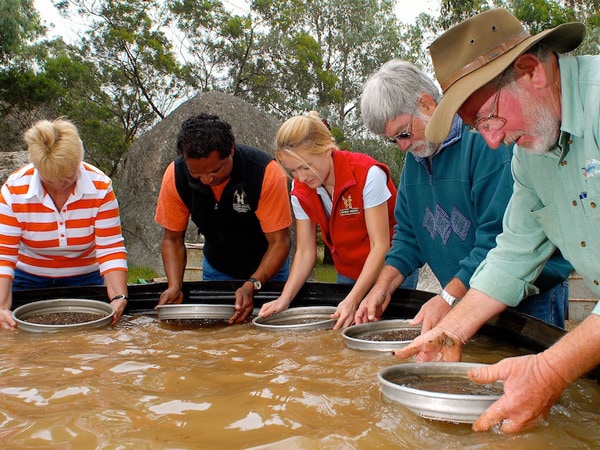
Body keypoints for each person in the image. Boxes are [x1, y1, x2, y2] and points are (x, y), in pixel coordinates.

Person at [395, 8, 599, 433]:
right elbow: (513, 253)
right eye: (476, 127)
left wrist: (550, 371)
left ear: (530, 71)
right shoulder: (529, 156)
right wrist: (451, 330)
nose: (491, 140)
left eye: (490, 118)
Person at [355, 59, 572, 331]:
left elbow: (498, 240)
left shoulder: (487, 143)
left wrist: (447, 296)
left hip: (528, 296)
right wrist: (382, 287)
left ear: (426, 104)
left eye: (404, 134)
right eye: (393, 140)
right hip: (465, 296)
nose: (402, 147)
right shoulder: (416, 157)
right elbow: (409, 236)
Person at [258, 111, 398, 329]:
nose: (301, 177)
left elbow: (380, 246)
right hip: (348, 273)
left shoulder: (368, 175)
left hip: (389, 271)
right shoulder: (300, 188)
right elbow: (305, 251)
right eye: (293, 170)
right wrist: (284, 300)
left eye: (306, 166)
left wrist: (353, 300)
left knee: (381, 331)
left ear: (326, 150)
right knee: (342, 333)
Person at [155, 113, 292, 324]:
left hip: (269, 271)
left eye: (216, 170)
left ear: (231, 150)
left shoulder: (265, 172)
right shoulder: (176, 175)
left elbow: (279, 242)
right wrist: (175, 286)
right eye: (196, 173)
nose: (207, 179)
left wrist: (253, 284)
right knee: (216, 340)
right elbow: (172, 239)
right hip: (217, 269)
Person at [0, 118, 129, 328]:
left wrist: (118, 297)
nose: (61, 185)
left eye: (68, 177)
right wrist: (1, 308)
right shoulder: (14, 191)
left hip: (85, 278)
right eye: (51, 179)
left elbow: (110, 247)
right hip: (28, 277)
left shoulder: (101, 187)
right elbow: (4, 254)